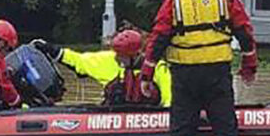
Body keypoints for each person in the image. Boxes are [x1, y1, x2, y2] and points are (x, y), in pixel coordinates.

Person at [139, 0, 258, 136]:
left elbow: (159, 38)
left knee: (183, 124)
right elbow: (244, 32)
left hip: (185, 74)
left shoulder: (173, 1)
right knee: (224, 123)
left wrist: (147, 74)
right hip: (217, 71)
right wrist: (249, 66)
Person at [31, 29, 171, 107]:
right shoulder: (109, 60)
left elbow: (169, 100)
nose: (117, 58)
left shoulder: (158, 69)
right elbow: (78, 61)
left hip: (145, 119)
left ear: (136, 55)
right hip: (113, 117)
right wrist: (51, 49)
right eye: (117, 54)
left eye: (121, 56)